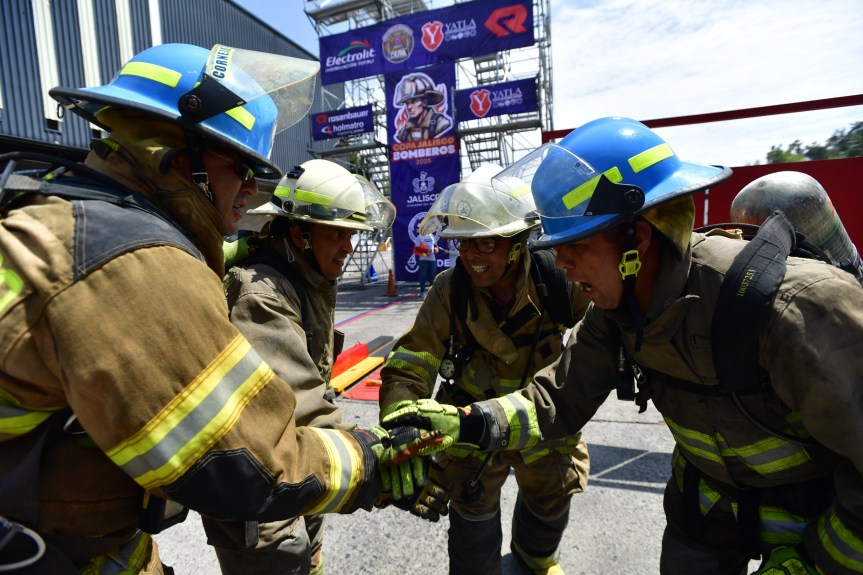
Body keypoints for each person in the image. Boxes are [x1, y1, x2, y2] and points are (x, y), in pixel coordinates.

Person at [0, 43, 437, 573]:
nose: (253, 190)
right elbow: (248, 464)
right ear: (179, 154)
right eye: (241, 166)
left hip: (70, 532)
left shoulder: (68, 213)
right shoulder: (137, 264)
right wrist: (374, 458)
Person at [381, 117, 863, 575]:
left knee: (548, 502)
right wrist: (469, 422)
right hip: (705, 510)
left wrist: (818, 562)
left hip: (819, 519)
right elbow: (557, 398)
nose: (561, 263)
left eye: (575, 244)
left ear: (639, 240)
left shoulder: (795, 311)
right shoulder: (615, 310)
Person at [379, 164, 591, 575]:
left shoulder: (557, 279)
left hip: (540, 424)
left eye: (485, 244)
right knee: (471, 518)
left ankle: (535, 559)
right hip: (469, 428)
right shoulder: (449, 291)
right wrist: (402, 429)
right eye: (463, 243)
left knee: (551, 497)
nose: (470, 255)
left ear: (517, 243)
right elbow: (410, 365)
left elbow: (601, 338)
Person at [203, 159, 396, 575]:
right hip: (260, 494)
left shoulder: (306, 277)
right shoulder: (262, 295)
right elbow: (303, 408)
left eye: (351, 235)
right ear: (299, 234)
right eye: (337, 234)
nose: (348, 246)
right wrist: (385, 463)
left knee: (310, 560)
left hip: (298, 469)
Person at [393, 73, 453, 143]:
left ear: (425, 103)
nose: (409, 107)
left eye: (413, 101)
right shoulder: (404, 132)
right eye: (407, 103)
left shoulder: (441, 125)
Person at [414, 230, 438, 297]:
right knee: (423, 276)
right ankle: (422, 291)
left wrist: (436, 249)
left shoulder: (432, 236)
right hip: (423, 259)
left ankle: (432, 292)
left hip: (432, 259)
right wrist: (426, 251)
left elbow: (435, 245)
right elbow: (417, 248)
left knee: (432, 276)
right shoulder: (419, 236)